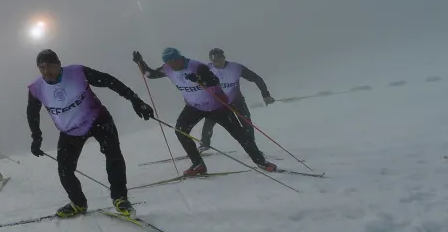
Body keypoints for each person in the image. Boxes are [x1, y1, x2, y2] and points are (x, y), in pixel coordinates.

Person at [27, 49, 153, 218]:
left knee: (113, 155)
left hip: (97, 120)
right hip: (70, 131)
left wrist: (135, 100)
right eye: (41, 67)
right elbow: (32, 113)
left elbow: (109, 81)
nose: (46, 71)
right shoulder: (36, 88)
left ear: (59, 64)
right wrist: (36, 137)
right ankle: (78, 203)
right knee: (65, 170)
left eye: (50, 66)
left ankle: (120, 198)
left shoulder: (78, 73)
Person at [133, 47, 276, 176]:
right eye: (169, 62)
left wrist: (199, 79)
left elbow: (214, 80)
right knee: (181, 131)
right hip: (194, 107)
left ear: (180, 57)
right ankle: (198, 165)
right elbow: (150, 74)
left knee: (240, 135)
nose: (172, 64)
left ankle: (261, 162)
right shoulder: (167, 68)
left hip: (217, 107)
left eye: (174, 61)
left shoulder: (196, 66)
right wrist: (141, 62)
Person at [199, 47, 276, 151]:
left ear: (223, 58)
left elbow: (256, 78)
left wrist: (265, 95)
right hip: (217, 102)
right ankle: (204, 144)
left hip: (236, 100)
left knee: (246, 122)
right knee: (209, 122)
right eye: (213, 60)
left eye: (218, 59)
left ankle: (252, 147)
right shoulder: (207, 69)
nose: (216, 63)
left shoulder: (236, 68)